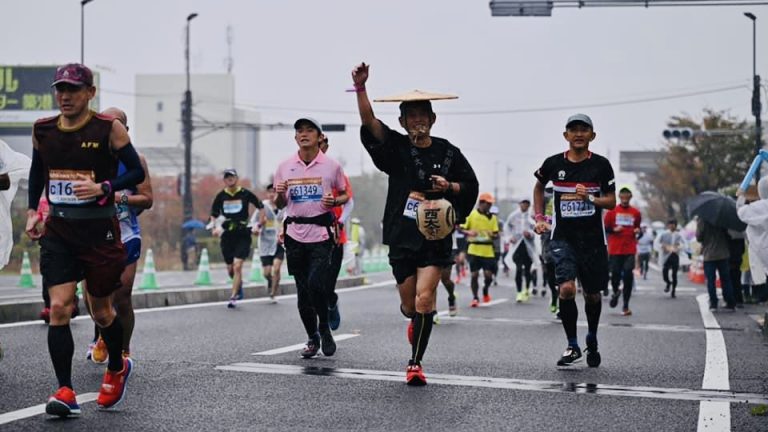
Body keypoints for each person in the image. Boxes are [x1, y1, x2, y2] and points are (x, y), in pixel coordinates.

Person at [26, 63, 145, 415]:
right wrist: (34, 210)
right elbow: (37, 171)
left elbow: (136, 171)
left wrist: (104, 187)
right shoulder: (43, 130)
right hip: (59, 231)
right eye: (60, 89)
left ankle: (116, 366)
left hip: (99, 232)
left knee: (103, 310)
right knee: (60, 307)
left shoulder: (109, 129)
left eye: (74, 90)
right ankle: (64, 391)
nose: (65, 96)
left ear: (90, 93)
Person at [352, 62, 478, 385]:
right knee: (410, 305)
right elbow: (369, 122)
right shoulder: (396, 148)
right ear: (403, 121)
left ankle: (415, 363)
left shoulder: (449, 153)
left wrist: (448, 188)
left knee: (426, 300)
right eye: (412, 116)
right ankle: (416, 320)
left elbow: (470, 186)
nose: (418, 121)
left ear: (433, 119)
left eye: (424, 115)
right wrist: (361, 88)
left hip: (436, 240)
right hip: (401, 235)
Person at [532, 113, 616, 368]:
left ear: (592, 135)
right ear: (565, 135)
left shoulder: (601, 165)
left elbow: (611, 202)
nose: (578, 134)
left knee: (592, 295)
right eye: (573, 130)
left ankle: (591, 336)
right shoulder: (553, 163)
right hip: (563, 237)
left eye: (584, 129)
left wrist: (590, 199)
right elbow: (538, 186)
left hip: (592, 240)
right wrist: (539, 217)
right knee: (566, 289)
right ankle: (572, 345)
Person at [274, 117, 349, 358]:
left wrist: (334, 201)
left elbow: (346, 194)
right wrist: (280, 195)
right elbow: (280, 204)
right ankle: (312, 337)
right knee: (303, 291)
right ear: (295, 138)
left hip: (321, 233)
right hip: (295, 234)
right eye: (299, 131)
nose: (303, 134)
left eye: (309, 130)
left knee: (317, 283)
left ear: (319, 137)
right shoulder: (284, 167)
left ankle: (324, 327)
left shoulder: (332, 166)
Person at [85, 107, 153, 363]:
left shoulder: (137, 159)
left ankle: (123, 350)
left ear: (125, 129)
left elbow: (147, 199)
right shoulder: (86, 156)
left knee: (122, 296)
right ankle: (103, 334)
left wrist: (117, 196)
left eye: (117, 124)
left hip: (126, 233)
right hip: (92, 235)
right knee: (95, 300)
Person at [210, 169, 264, 308]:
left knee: (238, 265)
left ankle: (233, 296)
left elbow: (260, 205)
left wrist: (259, 224)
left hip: (242, 234)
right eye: (227, 177)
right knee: (230, 269)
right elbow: (214, 214)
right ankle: (238, 285)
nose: (230, 179)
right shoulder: (221, 196)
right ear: (224, 180)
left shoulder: (244, 193)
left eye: (232, 177)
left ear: (236, 178)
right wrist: (214, 227)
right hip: (227, 235)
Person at [319, 135, 354, 330]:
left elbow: (349, 201)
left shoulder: (335, 171)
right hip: (308, 236)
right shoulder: (299, 171)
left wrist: (339, 222)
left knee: (327, 284)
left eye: (322, 144)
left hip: (334, 237)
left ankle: (331, 302)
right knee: (312, 283)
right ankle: (319, 328)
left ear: (325, 146)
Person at [604, 187, 641, 316]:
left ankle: (625, 305)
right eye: (623, 197)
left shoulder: (636, 212)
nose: (625, 199)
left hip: (630, 249)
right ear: (620, 197)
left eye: (627, 197)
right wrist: (614, 230)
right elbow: (606, 228)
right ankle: (615, 292)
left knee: (628, 275)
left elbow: (638, 228)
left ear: (630, 197)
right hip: (615, 250)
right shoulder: (612, 211)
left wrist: (638, 231)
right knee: (614, 275)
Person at [461, 193, 499, 307]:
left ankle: (485, 289)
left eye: (491, 204)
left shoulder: (493, 218)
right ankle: (475, 297)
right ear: (481, 202)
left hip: (488, 250)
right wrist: (469, 232)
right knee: (474, 275)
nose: (489, 206)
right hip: (474, 249)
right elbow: (461, 228)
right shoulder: (471, 215)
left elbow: (496, 234)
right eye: (488, 203)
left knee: (488, 276)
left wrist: (492, 234)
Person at [253, 183, 285, 303]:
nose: (272, 194)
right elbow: (254, 222)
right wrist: (256, 228)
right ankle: (271, 281)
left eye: (275, 192)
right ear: (267, 194)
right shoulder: (263, 207)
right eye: (270, 192)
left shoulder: (283, 207)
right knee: (266, 273)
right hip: (265, 243)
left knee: (276, 268)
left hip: (279, 242)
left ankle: (273, 292)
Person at [696, 218, 736, 311]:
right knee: (726, 279)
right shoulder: (723, 219)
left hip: (709, 255)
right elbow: (728, 235)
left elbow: (699, 237)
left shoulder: (703, 219)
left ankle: (713, 303)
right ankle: (730, 302)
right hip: (723, 253)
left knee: (711, 280)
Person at [504, 199, 536, 303]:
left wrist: (530, 233)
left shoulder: (532, 217)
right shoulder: (513, 216)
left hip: (528, 247)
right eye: (523, 203)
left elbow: (537, 229)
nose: (524, 205)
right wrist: (509, 238)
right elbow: (507, 228)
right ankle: (518, 292)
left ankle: (526, 289)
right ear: (519, 204)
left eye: (527, 204)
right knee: (518, 269)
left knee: (527, 269)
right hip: (517, 246)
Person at [659, 219, 685, 298]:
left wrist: (678, 247)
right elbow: (659, 243)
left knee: (674, 274)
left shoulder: (679, 235)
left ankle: (673, 291)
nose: (671, 226)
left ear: (676, 225)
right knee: (664, 272)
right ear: (668, 225)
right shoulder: (664, 234)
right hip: (666, 255)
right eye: (670, 224)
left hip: (675, 255)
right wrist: (663, 247)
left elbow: (683, 244)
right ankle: (668, 282)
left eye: (673, 224)